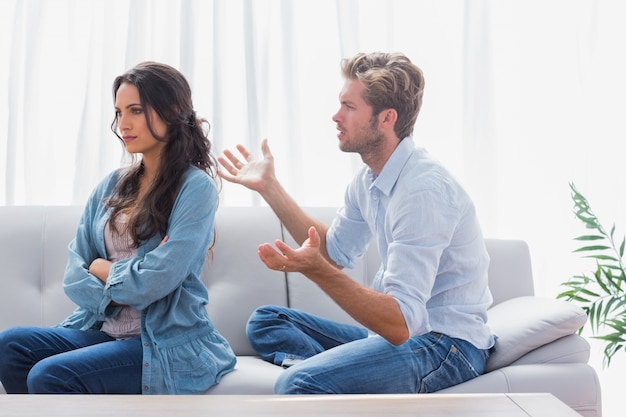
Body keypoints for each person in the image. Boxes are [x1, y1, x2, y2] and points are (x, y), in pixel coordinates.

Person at [217, 51, 495, 394]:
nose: (336, 116)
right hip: (400, 338)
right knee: (269, 320)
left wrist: (313, 269)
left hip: (447, 347)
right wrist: (269, 188)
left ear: (386, 118)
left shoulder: (423, 191)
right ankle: (340, 379)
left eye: (349, 107)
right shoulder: (369, 181)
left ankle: (324, 380)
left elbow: (399, 324)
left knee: (297, 383)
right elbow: (333, 250)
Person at [0, 62, 236, 394]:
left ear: (173, 111)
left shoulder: (195, 189)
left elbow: (159, 279)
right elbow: (74, 269)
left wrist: (103, 268)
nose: (123, 124)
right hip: (103, 328)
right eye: (119, 112)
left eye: (135, 111)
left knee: (50, 376)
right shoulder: (112, 184)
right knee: (10, 345)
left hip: (159, 342)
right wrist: (118, 285)